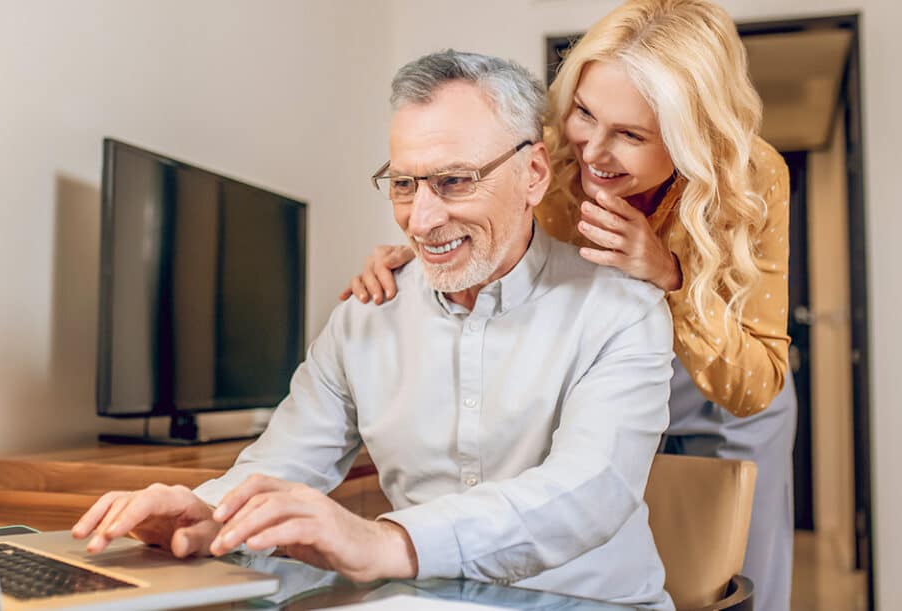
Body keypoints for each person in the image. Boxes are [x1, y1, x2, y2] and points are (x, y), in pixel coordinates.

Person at [73, 50, 677, 609]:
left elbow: (590, 488)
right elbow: (287, 461)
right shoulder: (364, 318)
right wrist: (208, 512)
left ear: (534, 174)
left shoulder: (621, 308)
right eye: (404, 183)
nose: (423, 218)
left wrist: (388, 543)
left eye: (454, 181)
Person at [341, 1, 797, 609]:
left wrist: (669, 275)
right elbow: (480, 221)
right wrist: (427, 249)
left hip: (718, 388)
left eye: (631, 134)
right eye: (584, 112)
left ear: (692, 141)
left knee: (732, 583)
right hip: (597, 371)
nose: (591, 151)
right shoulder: (547, 152)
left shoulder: (749, 174)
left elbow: (757, 383)